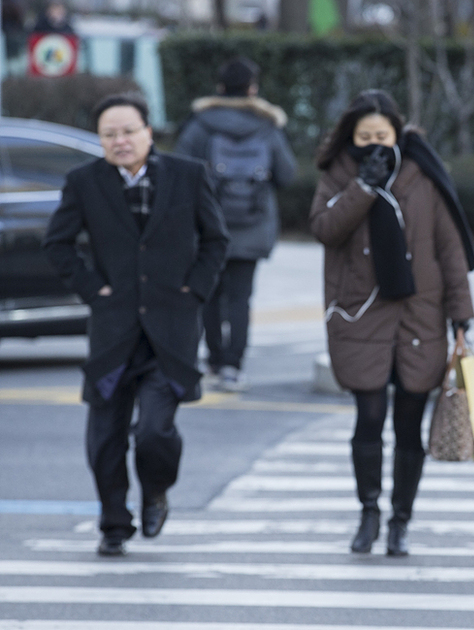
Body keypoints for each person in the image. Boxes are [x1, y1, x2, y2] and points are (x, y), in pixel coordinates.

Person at [43, 93, 228, 557]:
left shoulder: (188, 175)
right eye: (109, 134)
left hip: (171, 329)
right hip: (113, 331)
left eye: (128, 131)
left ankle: (156, 490)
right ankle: (113, 521)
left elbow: (216, 240)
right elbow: (58, 244)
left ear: (149, 132)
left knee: (155, 432)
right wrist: (94, 290)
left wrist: (195, 292)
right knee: (104, 436)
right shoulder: (84, 182)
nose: (120, 141)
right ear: (100, 140)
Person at [309, 89, 474, 556]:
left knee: (407, 423)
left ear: (397, 132)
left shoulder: (422, 173)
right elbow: (324, 229)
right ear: (351, 136)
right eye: (364, 136)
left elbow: (449, 250)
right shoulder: (337, 172)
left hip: (419, 314)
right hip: (359, 311)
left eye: (381, 135)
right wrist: (362, 186)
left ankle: (401, 519)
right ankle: (369, 512)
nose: (373, 143)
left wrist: (461, 315)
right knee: (369, 417)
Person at [175, 56, 297, 391]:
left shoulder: (201, 124)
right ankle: (234, 365)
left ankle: (214, 359)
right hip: (254, 224)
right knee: (241, 298)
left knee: (210, 295)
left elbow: (180, 171)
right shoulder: (267, 126)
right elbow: (287, 174)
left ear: (219, 87)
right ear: (252, 89)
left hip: (209, 226)